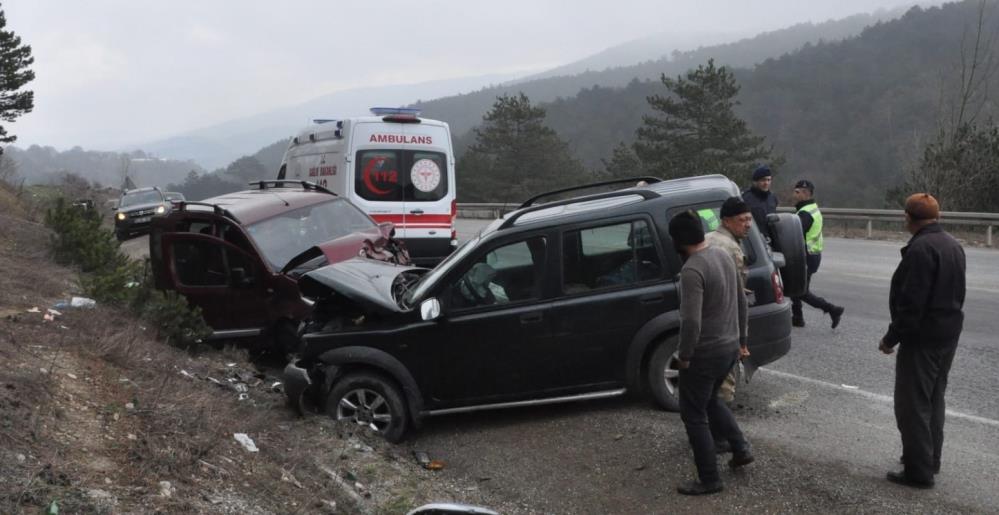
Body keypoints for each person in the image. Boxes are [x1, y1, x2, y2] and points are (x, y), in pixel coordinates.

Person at [879, 193, 966, 489]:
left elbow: (912, 303)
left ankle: (918, 472)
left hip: (923, 338)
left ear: (909, 217)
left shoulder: (921, 249)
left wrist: (892, 337)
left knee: (912, 404)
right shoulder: (953, 245)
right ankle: (930, 458)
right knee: (934, 398)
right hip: (948, 334)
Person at [668, 211, 753, 496]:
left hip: (705, 353)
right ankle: (740, 448)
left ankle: (709, 479)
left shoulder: (692, 270)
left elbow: (691, 321)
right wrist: (741, 339)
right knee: (712, 400)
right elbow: (742, 300)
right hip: (729, 348)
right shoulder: (722, 255)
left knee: (693, 414)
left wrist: (685, 355)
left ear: (678, 241)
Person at [705, 197, 753, 407]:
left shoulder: (706, 239)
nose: (748, 224)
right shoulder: (732, 249)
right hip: (725, 328)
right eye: (742, 220)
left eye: (749, 219)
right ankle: (722, 433)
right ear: (727, 221)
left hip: (704, 325)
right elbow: (737, 299)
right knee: (725, 384)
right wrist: (742, 341)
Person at [790, 179, 845, 328]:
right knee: (795, 287)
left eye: (797, 192)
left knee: (801, 291)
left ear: (805, 193)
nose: (794, 194)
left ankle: (833, 310)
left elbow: (796, 234)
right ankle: (797, 318)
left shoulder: (806, 213)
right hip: (812, 255)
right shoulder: (811, 208)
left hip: (807, 256)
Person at [741, 165, 778, 239]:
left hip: (771, 239)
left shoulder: (772, 198)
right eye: (763, 180)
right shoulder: (746, 199)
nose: (766, 183)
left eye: (768, 180)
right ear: (755, 182)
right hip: (755, 240)